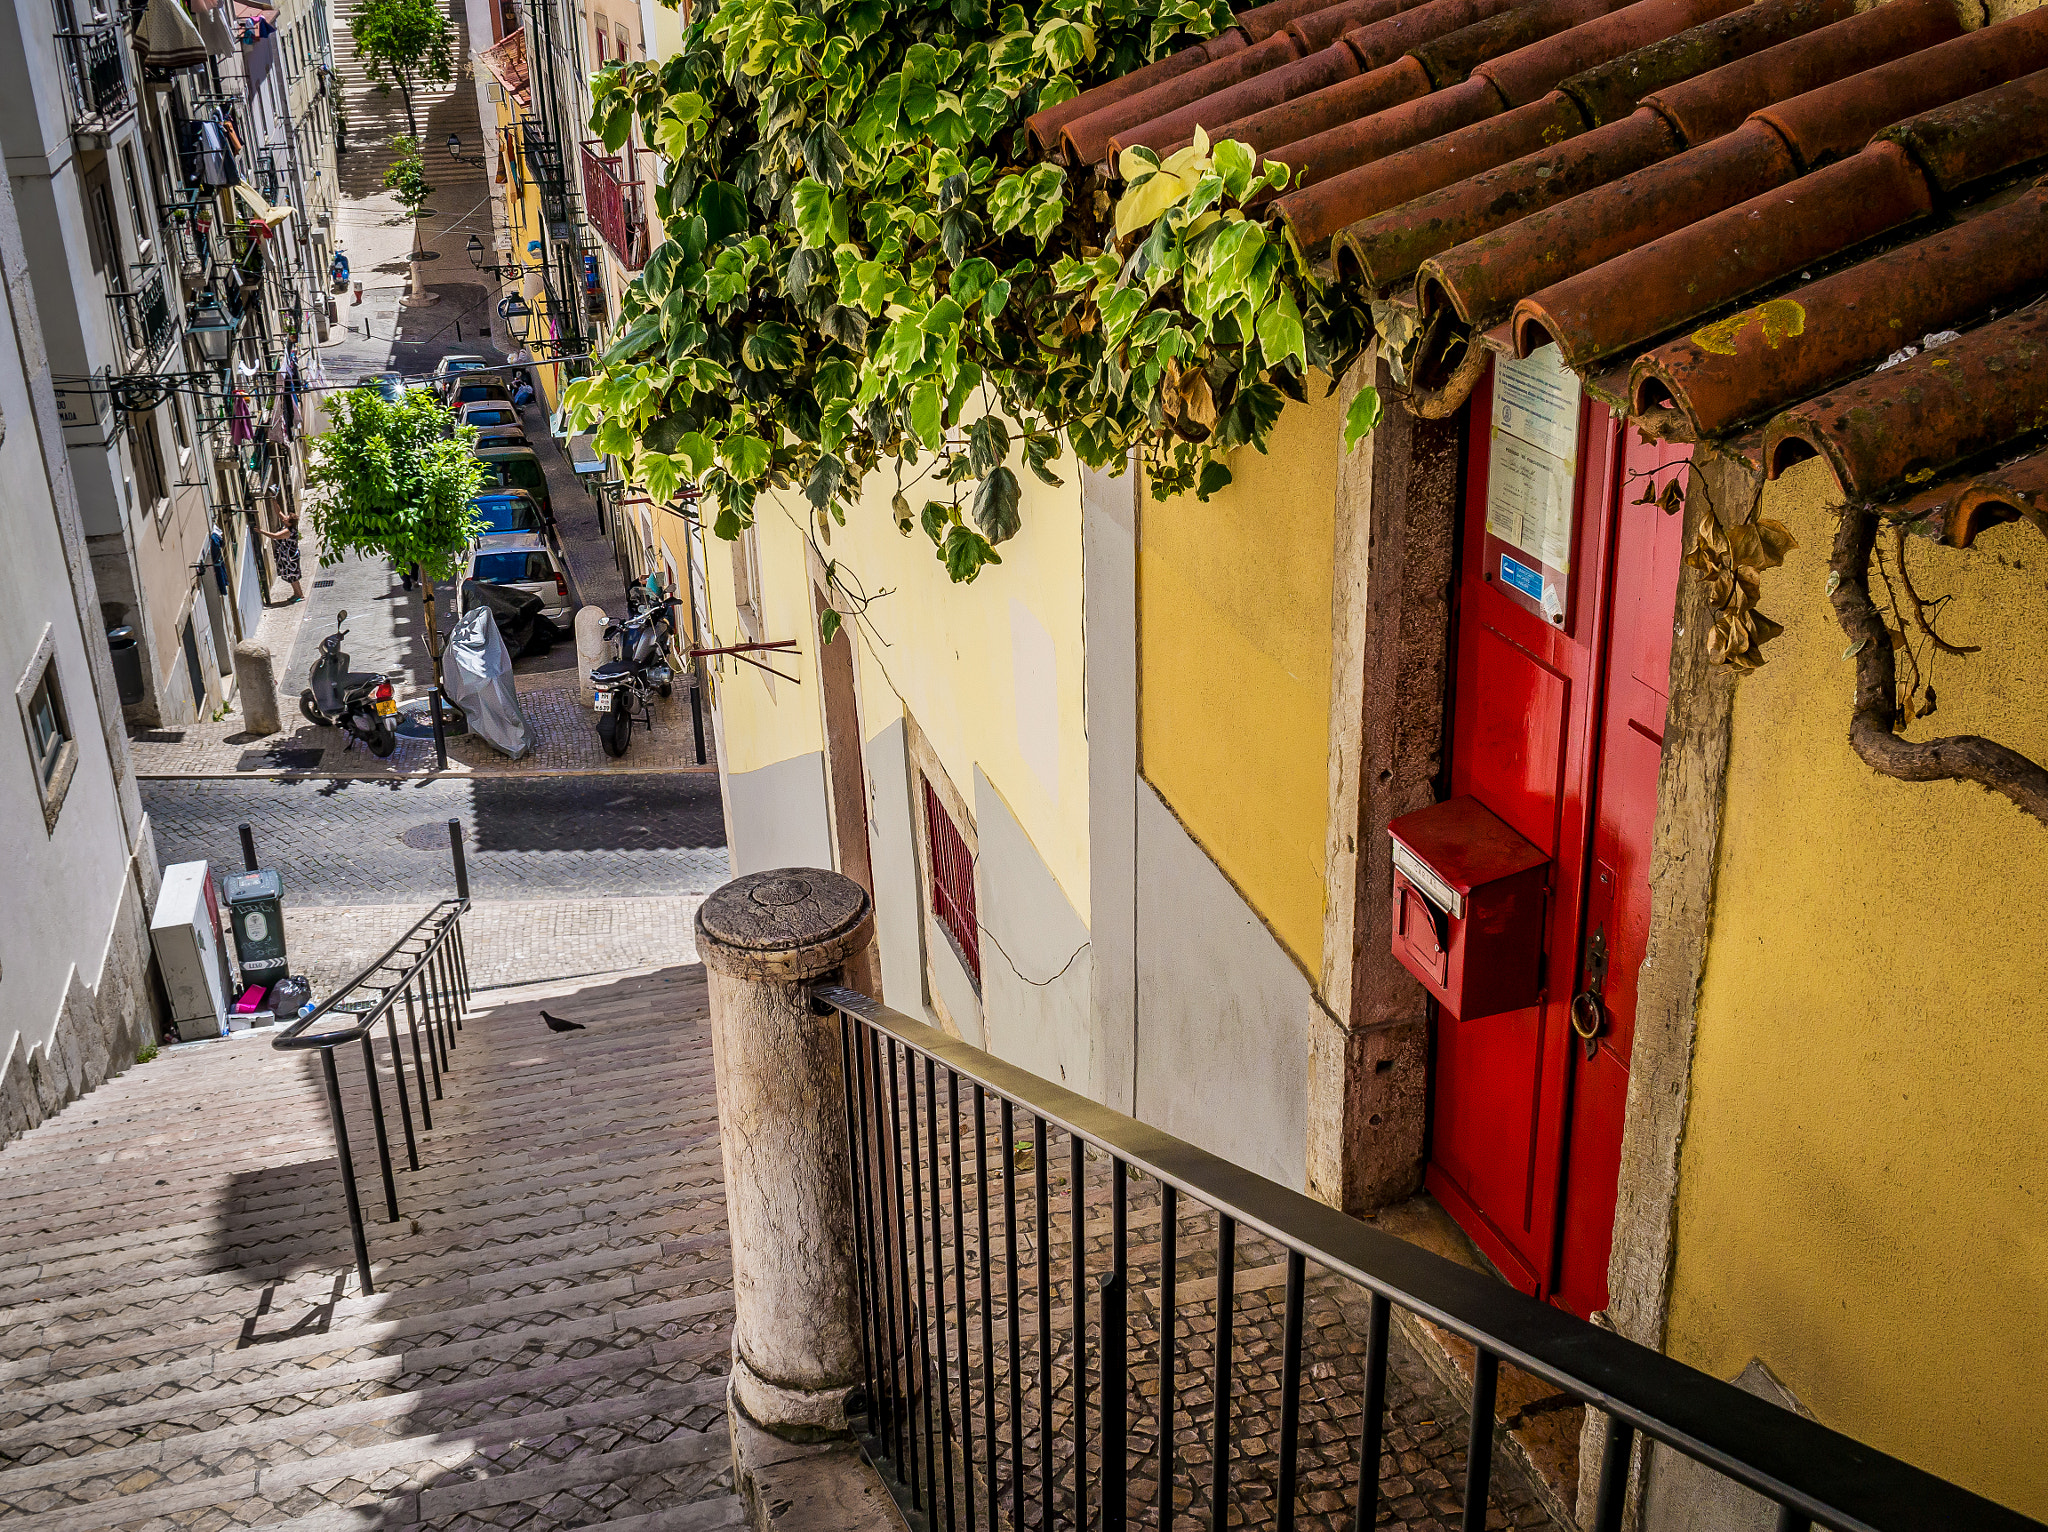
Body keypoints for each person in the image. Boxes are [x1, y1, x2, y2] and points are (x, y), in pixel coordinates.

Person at [257, 507, 304, 603]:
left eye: (286, 518)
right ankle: (296, 593)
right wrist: (273, 500)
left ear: (290, 522)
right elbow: (278, 512)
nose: (284, 518)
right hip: (286, 556)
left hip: (290, 557)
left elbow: (275, 536)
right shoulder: (287, 526)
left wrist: (261, 531)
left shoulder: (288, 531)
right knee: (291, 576)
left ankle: (300, 594)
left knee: (293, 576)